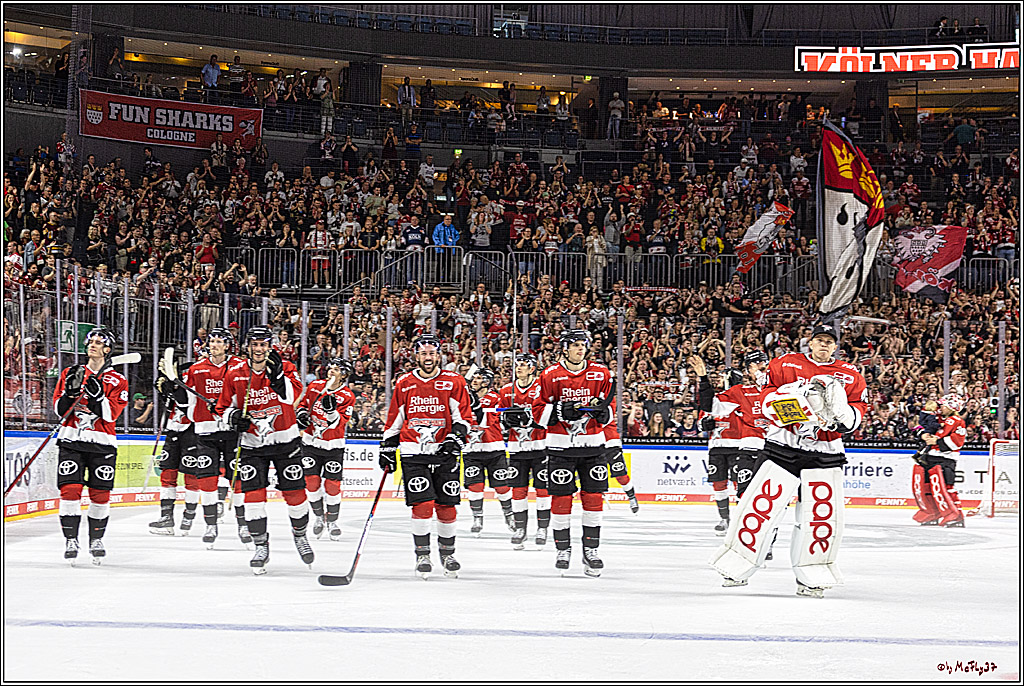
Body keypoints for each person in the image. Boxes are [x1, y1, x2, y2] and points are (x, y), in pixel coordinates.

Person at [710, 324, 867, 598]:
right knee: (760, 507)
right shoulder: (784, 363)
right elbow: (766, 399)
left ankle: (813, 575)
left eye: (829, 341)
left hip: (825, 451)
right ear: (810, 342)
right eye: (819, 340)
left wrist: (843, 415)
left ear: (835, 346)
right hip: (783, 445)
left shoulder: (851, 375)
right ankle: (737, 564)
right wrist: (792, 399)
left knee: (819, 516)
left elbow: (857, 413)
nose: (824, 345)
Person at [378, 334, 474, 579]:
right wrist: (387, 447)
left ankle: (448, 554)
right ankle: (422, 555)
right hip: (413, 452)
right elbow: (395, 418)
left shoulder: (453, 381)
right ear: (416, 356)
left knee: (447, 505)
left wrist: (455, 438)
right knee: (422, 504)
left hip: (444, 452)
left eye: (432, 353)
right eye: (423, 353)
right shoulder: (404, 383)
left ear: (438, 355)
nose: (428, 357)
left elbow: (464, 417)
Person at [216, 326, 309, 574]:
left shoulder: (285, 367)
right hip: (252, 444)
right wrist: (232, 417)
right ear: (247, 346)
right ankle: (260, 546)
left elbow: (292, 396)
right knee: (253, 499)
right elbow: (222, 407)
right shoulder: (235, 373)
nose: (259, 349)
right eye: (254, 344)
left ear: (270, 346)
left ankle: (300, 535)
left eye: (263, 344)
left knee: (296, 495)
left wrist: (278, 378)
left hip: (285, 441)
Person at [534, 329, 615, 577]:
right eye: (576, 344)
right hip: (561, 447)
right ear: (565, 348)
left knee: (594, 499)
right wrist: (559, 410)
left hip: (593, 446)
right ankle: (563, 549)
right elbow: (538, 412)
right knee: (561, 499)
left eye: (583, 344)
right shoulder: (550, 375)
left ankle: (591, 550)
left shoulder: (601, 373)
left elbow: (609, 409)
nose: (581, 349)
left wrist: (604, 413)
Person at [52, 327, 129, 564]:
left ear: (108, 349)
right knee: (70, 490)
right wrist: (69, 394)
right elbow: (59, 410)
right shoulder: (71, 372)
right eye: (90, 342)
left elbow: (111, 415)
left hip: (102, 444)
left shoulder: (118, 380)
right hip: (72, 440)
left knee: (100, 494)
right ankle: (71, 540)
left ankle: (96, 539)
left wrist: (98, 398)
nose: (93, 345)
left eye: (98, 342)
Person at [182, 327, 250, 546]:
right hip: (206, 431)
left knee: (237, 480)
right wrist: (194, 414)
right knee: (207, 480)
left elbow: (245, 396)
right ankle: (210, 525)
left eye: (220, 341)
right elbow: (190, 402)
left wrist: (234, 414)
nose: (214, 345)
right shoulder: (196, 369)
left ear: (227, 345)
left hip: (231, 432)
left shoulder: (240, 366)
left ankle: (243, 525)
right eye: (212, 341)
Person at [695, 350, 768, 535]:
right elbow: (705, 413)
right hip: (722, 447)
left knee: (752, 489)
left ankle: (756, 528)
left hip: (746, 446)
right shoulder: (734, 395)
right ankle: (727, 519)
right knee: (724, 485)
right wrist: (704, 424)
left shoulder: (772, 391)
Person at [298, 358, 356, 540]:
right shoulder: (315, 386)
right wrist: (301, 415)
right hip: (310, 443)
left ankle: (332, 521)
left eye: (337, 369)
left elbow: (341, 422)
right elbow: (303, 405)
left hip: (333, 445)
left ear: (344, 375)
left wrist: (331, 412)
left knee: (332, 485)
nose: (332, 371)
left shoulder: (347, 395)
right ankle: (318, 517)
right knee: (311, 482)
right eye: (331, 367)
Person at [499, 353, 551, 549]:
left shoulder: (541, 389)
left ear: (532, 368)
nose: (519, 368)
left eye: (523, 365)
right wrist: (506, 421)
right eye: (517, 365)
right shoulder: (506, 391)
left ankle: (542, 528)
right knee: (518, 490)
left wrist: (532, 420)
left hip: (540, 447)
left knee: (542, 489)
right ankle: (520, 528)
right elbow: (500, 421)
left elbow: (549, 416)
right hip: (517, 448)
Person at [149, 361, 200, 536]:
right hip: (174, 429)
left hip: (193, 430)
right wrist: (164, 391)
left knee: (191, 475)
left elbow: (188, 403)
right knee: (167, 473)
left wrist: (175, 389)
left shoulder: (199, 375)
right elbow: (171, 403)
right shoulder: (183, 370)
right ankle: (166, 517)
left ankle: (188, 516)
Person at [462, 368, 515, 535]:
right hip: (472, 449)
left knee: (502, 486)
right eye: (474, 378)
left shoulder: (495, 398)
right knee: (475, 486)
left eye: (478, 378)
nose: (474, 381)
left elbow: (486, 421)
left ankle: (509, 515)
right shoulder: (464, 398)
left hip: (494, 448)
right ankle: (477, 518)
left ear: (486, 382)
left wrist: (475, 405)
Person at [911, 394, 968, 527]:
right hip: (929, 457)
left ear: (952, 407)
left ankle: (955, 516)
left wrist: (937, 441)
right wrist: (923, 435)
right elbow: (918, 427)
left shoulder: (957, 421)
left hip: (945, 460)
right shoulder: (937, 418)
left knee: (945, 488)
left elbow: (957, 442)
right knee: (926, 487)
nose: (940, 407)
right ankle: (932, 513)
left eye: (943, 405)